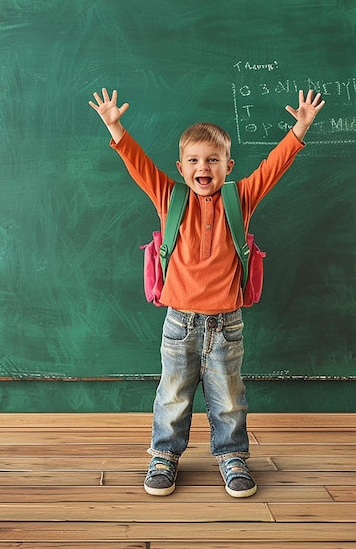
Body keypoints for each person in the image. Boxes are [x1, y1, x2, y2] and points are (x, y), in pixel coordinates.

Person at [89, 87, 325, 498]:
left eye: (213, 160)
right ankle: (163, 456)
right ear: (180, 167)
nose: (204, 167)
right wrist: (115, 126)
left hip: (226, 325)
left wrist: (300, 127)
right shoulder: (170, 198)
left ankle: (232, 456)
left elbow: (274, 166)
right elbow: (139, 165)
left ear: (228, 166)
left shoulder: (240, 198)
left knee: (229, 398)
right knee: (173, 396)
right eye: (195, 160)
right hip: (179, 323)